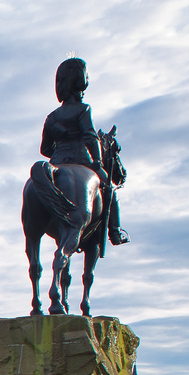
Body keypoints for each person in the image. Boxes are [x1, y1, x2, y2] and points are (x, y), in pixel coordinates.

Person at [42, 57, 129, 246]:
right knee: (109, 188)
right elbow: (90, 136)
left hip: (56, 162)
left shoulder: (51, 117)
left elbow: (45, 149)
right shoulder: (84, 109)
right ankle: (115, 232)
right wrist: (97, 163)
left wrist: (60, 155)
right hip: (83, 161)